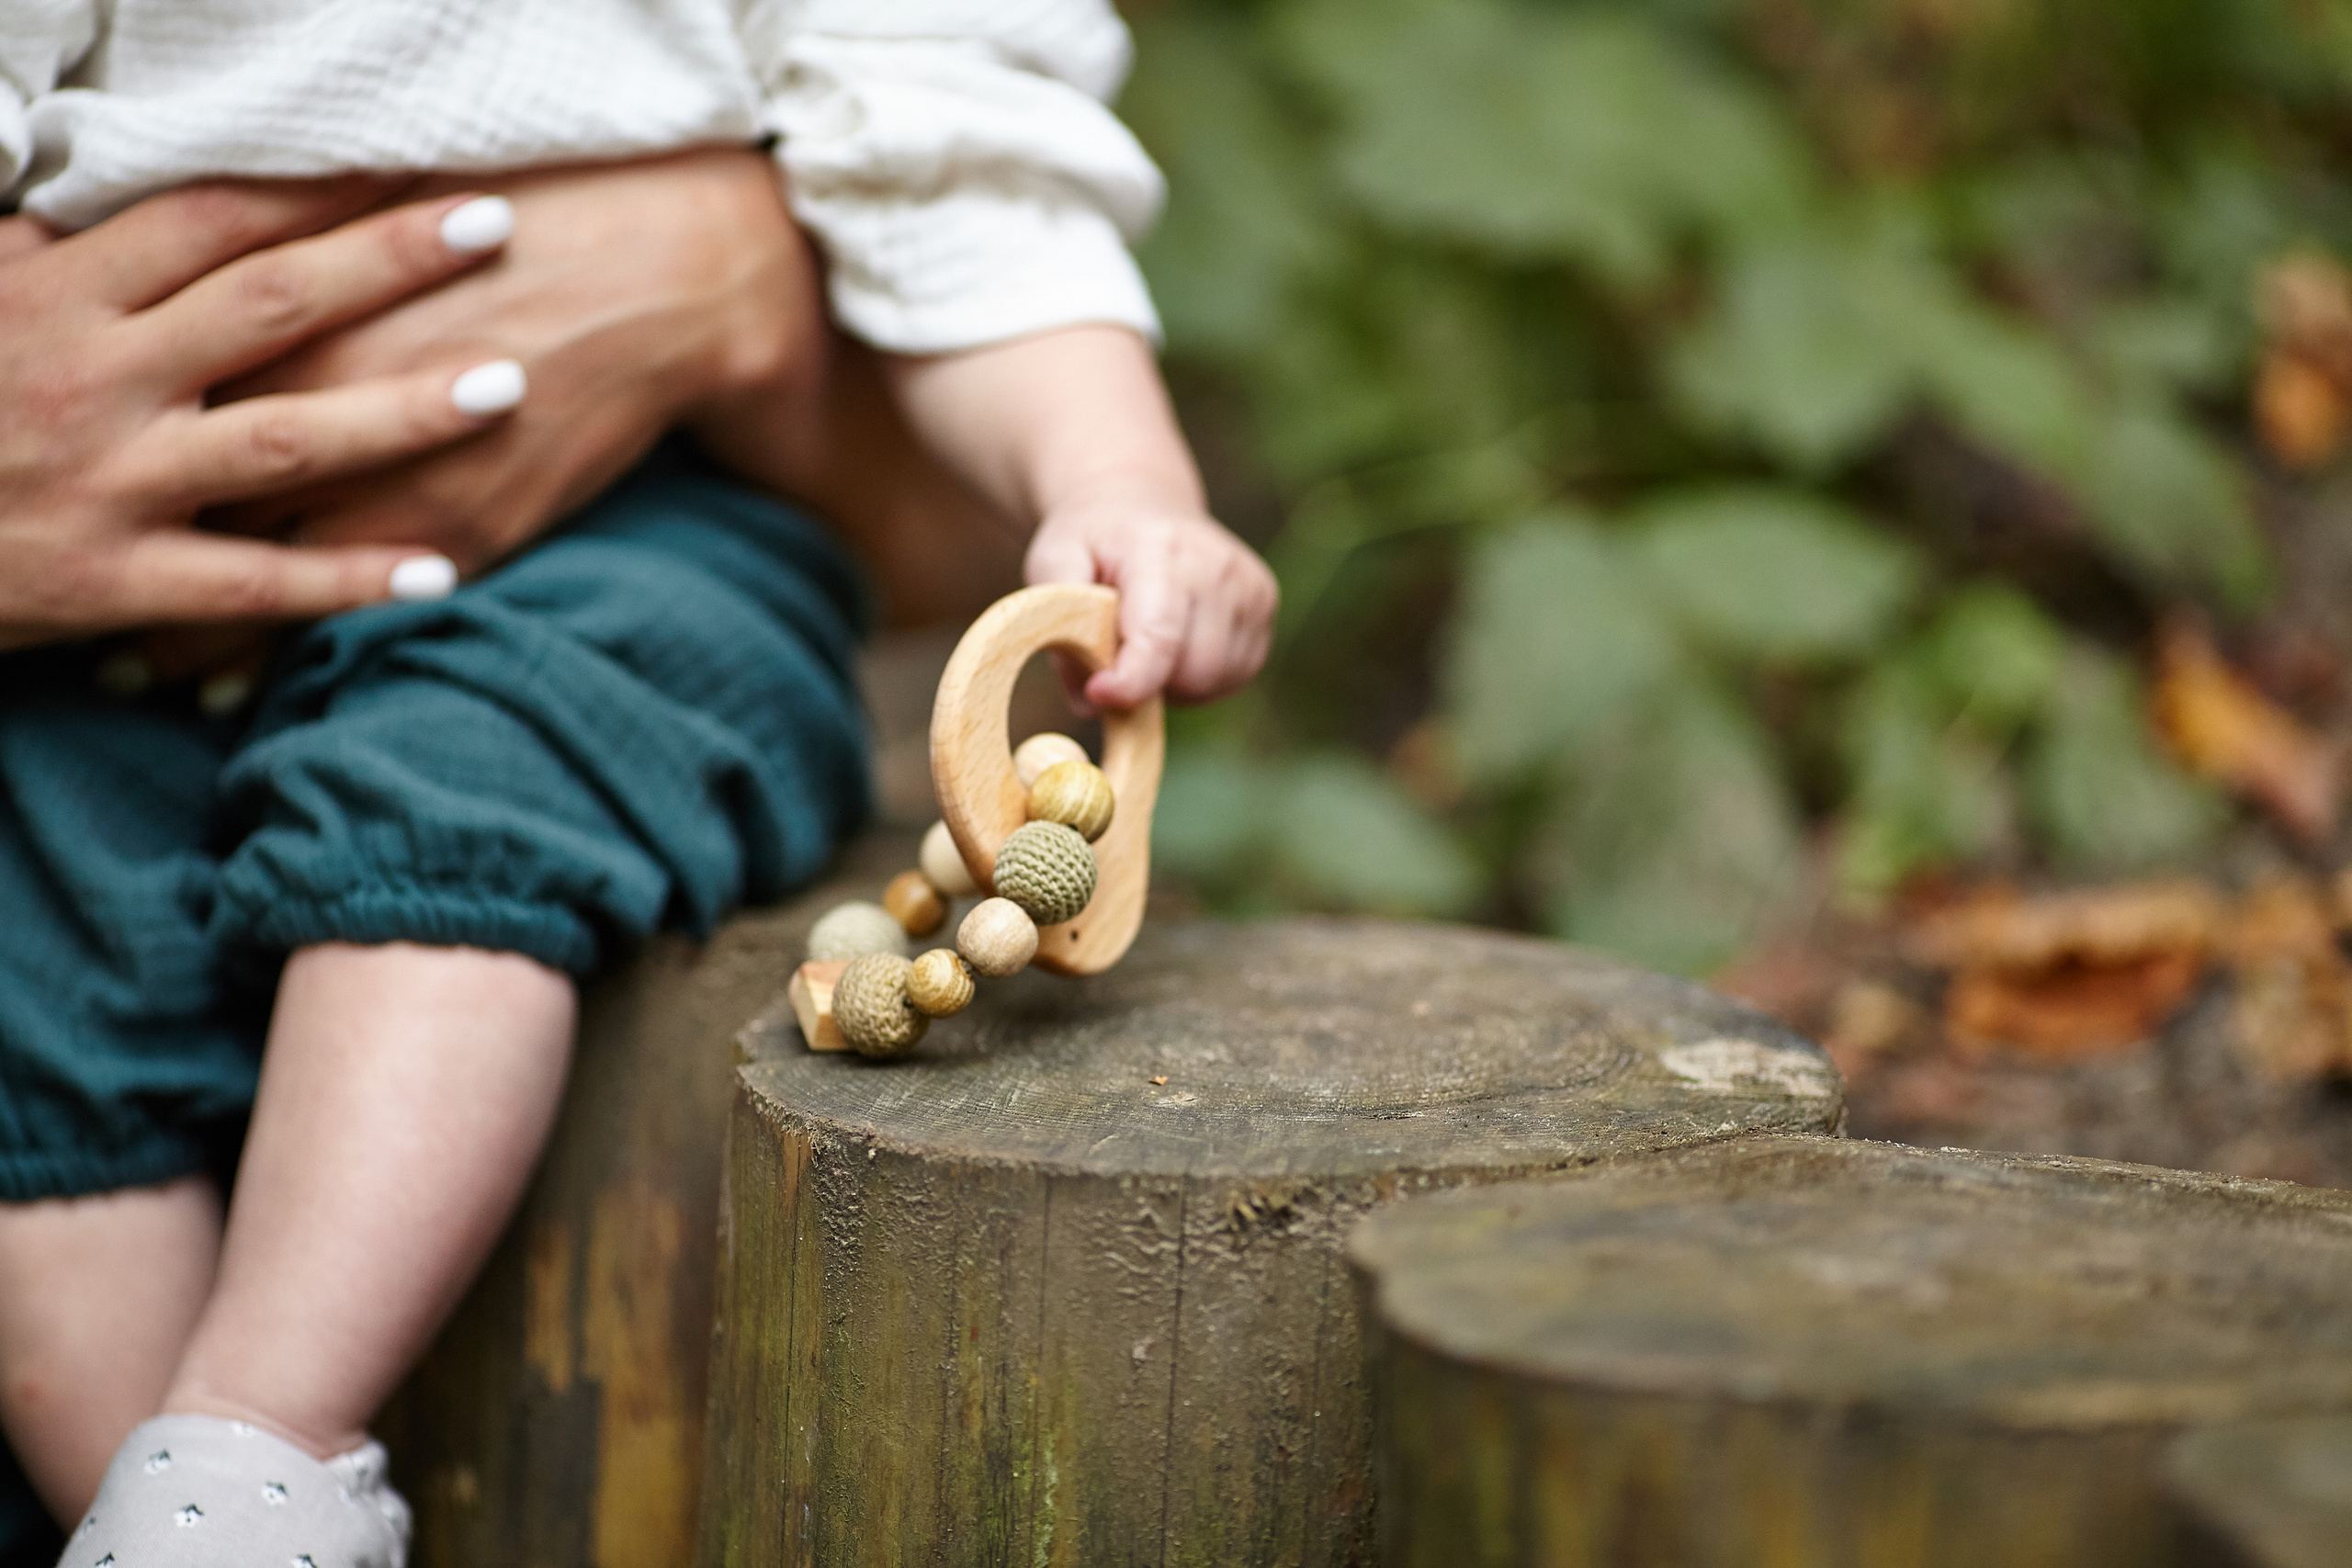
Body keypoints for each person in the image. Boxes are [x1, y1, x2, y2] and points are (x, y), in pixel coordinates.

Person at [0, 6, 1277, 1565]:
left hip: (616, 514)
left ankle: (259, 1431)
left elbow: (959, 157)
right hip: (93, 545)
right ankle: (170, 1509)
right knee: (33, 909)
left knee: (474, 772)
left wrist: (1115, 482)